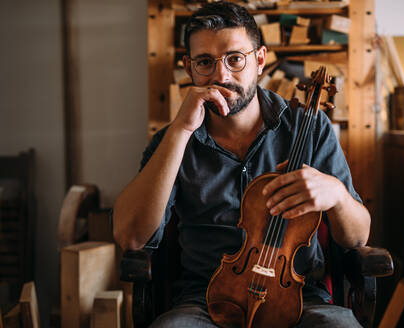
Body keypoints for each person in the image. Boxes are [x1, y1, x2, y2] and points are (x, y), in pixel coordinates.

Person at [113, 2, 370, 327]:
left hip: (302, 298)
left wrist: (337, 195)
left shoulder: (310, 127)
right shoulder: (172, 140)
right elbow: (131, 238)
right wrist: (181, 130)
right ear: (188, 67)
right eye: (205, 62)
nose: (222, 75)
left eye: (235, 59)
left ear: (260, 60)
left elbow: (358, 239)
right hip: (203, 303)